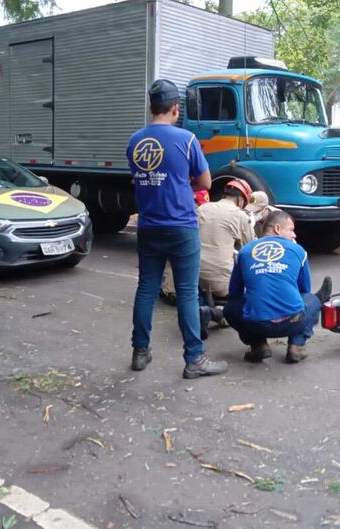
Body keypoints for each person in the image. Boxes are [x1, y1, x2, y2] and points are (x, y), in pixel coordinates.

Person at [127, 79, 228, 379]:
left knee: (146, 288)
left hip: (148, 226)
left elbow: (138, 179)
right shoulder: (186, 140)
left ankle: (140, 351)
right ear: (175, 108)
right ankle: (194, 359)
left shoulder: (135, 141)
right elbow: (206, 183)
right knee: (186, 292)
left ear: (150, 107)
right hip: (182, 226)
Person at [223, 210, 332, 364]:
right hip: (293, 321)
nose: (294, 235)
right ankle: (296, 345)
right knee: (312, 300)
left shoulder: (244, 252)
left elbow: (234, 293)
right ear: (277, 229)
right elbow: (304, 290)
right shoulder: (299, 251)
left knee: (230, 308)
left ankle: (258, 345)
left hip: (255, 324)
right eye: (291, 230)